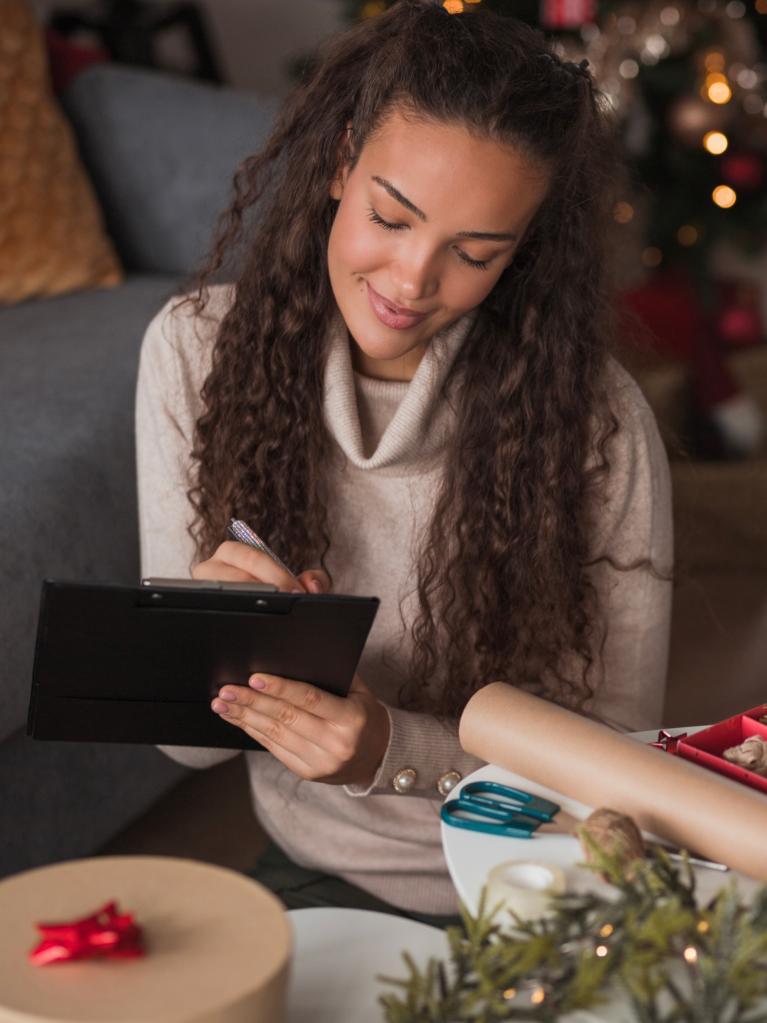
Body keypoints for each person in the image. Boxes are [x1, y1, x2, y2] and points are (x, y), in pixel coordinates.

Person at [135, 0, 672, 925]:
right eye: (391, 216)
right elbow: (186, 753)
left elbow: (620, 776)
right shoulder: (195, 352)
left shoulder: (597, 426)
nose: (412, 281)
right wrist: (207, 641)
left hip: (543, 882)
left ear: (524, 250)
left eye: (473, 252)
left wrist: (389, 747)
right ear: (341, 160)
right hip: (316, 869)